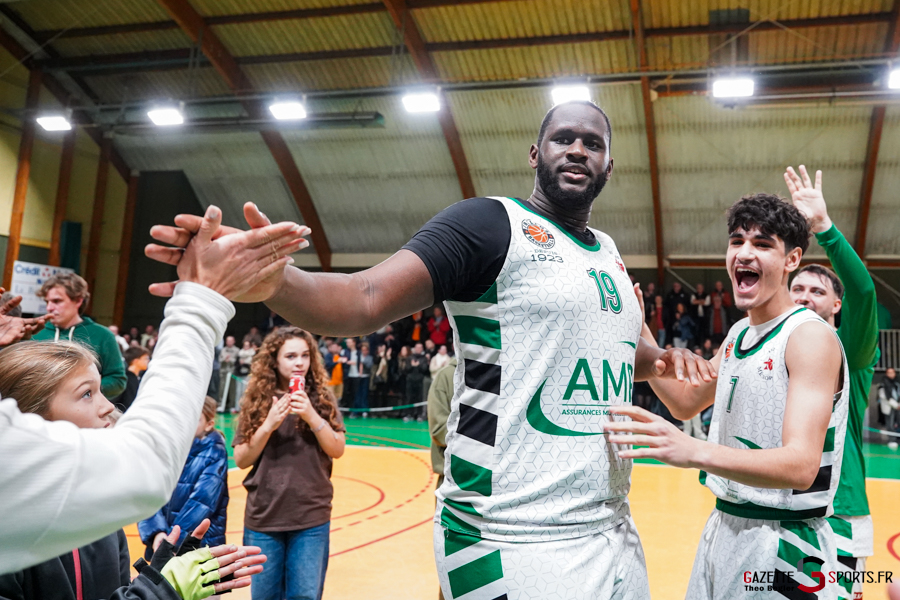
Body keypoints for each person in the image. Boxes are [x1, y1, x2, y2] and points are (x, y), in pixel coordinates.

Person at [146, 101, 712, 599]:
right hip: (509, 533)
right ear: (536, 152)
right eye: (565, 138)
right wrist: (277, 281)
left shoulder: (609, 254)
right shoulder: (488, 224)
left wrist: (664, 360)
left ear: (609, 166)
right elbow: (362, 297)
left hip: (611, 526)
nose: (578, 150)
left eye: (594, 143)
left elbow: (611, 360)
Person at [0, 206, 303, 573]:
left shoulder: (96, 527)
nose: (109, 409)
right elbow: (142, 465)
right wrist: (203, 296)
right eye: (86, 394)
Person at [612, 193, 848, 600]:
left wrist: (694, 450)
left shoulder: (808, 336)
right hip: (725, 526)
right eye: (737, 241)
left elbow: (801, 465)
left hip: (784, 541)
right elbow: (685, 402)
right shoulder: (740, 333)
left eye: (762, 244)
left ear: (791, 260)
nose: (744, 253)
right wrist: (642, 328)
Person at [0, 342, 264, 600]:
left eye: (101, 390)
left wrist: (153, 579)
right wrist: (159, 592)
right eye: (87, 393)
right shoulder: (9, 528)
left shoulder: (101, 512)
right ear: (29, 419)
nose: (108, 407)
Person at [785, 165, 881, 599]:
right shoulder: (775, 353)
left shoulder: (850, 349)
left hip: (839, 514)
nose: (804, 296)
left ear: (836, 305)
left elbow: (864, 292)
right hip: (785, 509)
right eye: (798, 289)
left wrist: (823, 228)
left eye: (817, 291)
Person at [232, 327, 345, 600]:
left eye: (305, 356)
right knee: (264, 596)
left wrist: (311, 416)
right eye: (291, 356)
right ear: (275, 360)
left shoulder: (321, 398)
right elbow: (242, 459)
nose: (299, 363)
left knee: (304, 596)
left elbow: (337, 448)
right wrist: (268, 424)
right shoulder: (257, 400)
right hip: (265, 517)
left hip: (310, 516)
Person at [139, 396, 229, 560]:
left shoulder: (215, 453)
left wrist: (171, 540)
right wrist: (156, 532)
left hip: (198, 548)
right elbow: (146, 492)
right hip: (164, 545)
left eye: (194, 418)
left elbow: (201, 502)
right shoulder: (163, 449)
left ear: (209, 425)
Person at [33, 273, 127, 398]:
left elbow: (117, 380)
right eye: (47, 301)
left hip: (82, 413)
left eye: (57, 301)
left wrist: (84, 391)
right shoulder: (36, 333)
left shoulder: (103, 335)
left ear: (78, 300)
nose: (49, 307)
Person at [426, 353, 457, 600]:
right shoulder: (446, 376)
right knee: (452, 562)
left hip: (497, 482)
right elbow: (438, 430)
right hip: (452, 480)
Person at [115, 346, 150, 412]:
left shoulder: (137, 377)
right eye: (145, 358)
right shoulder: (126, 379)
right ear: (136, 361)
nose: (148, 361)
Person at [218, 336, 240, 413]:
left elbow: (238, 361)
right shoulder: (223, 350)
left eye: (231, 341)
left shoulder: (237, 350)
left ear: (234, 341)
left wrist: (230, 360)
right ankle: (221, 405)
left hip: (232, 373)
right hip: (224, 372)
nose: (229, 342)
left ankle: (232, 406)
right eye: (227, 341)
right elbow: (220, 359)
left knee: (232, 390)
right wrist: (225, 359)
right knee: (222, 389)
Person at [353, 342, 373, 417]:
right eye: (362, 350)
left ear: (367, 351)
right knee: (357, 394)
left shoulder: (369, 358)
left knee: (364, 394)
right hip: (358, 377)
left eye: (365, 350)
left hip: (365, 377)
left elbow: (369, 366)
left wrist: (363, 363)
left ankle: (364, 410)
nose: (364, 351)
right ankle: (356, 411)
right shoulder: (358, 356)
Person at [879, 368, 900, 434]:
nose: (891, 374)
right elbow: (883, 396)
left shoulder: (897, 382)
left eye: (892, 372)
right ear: (886, 374)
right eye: (889, 372)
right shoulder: (883, 383)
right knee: (890, 424)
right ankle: (892, 440)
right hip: (889, 406)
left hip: (898, 406)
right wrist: (895, 405)